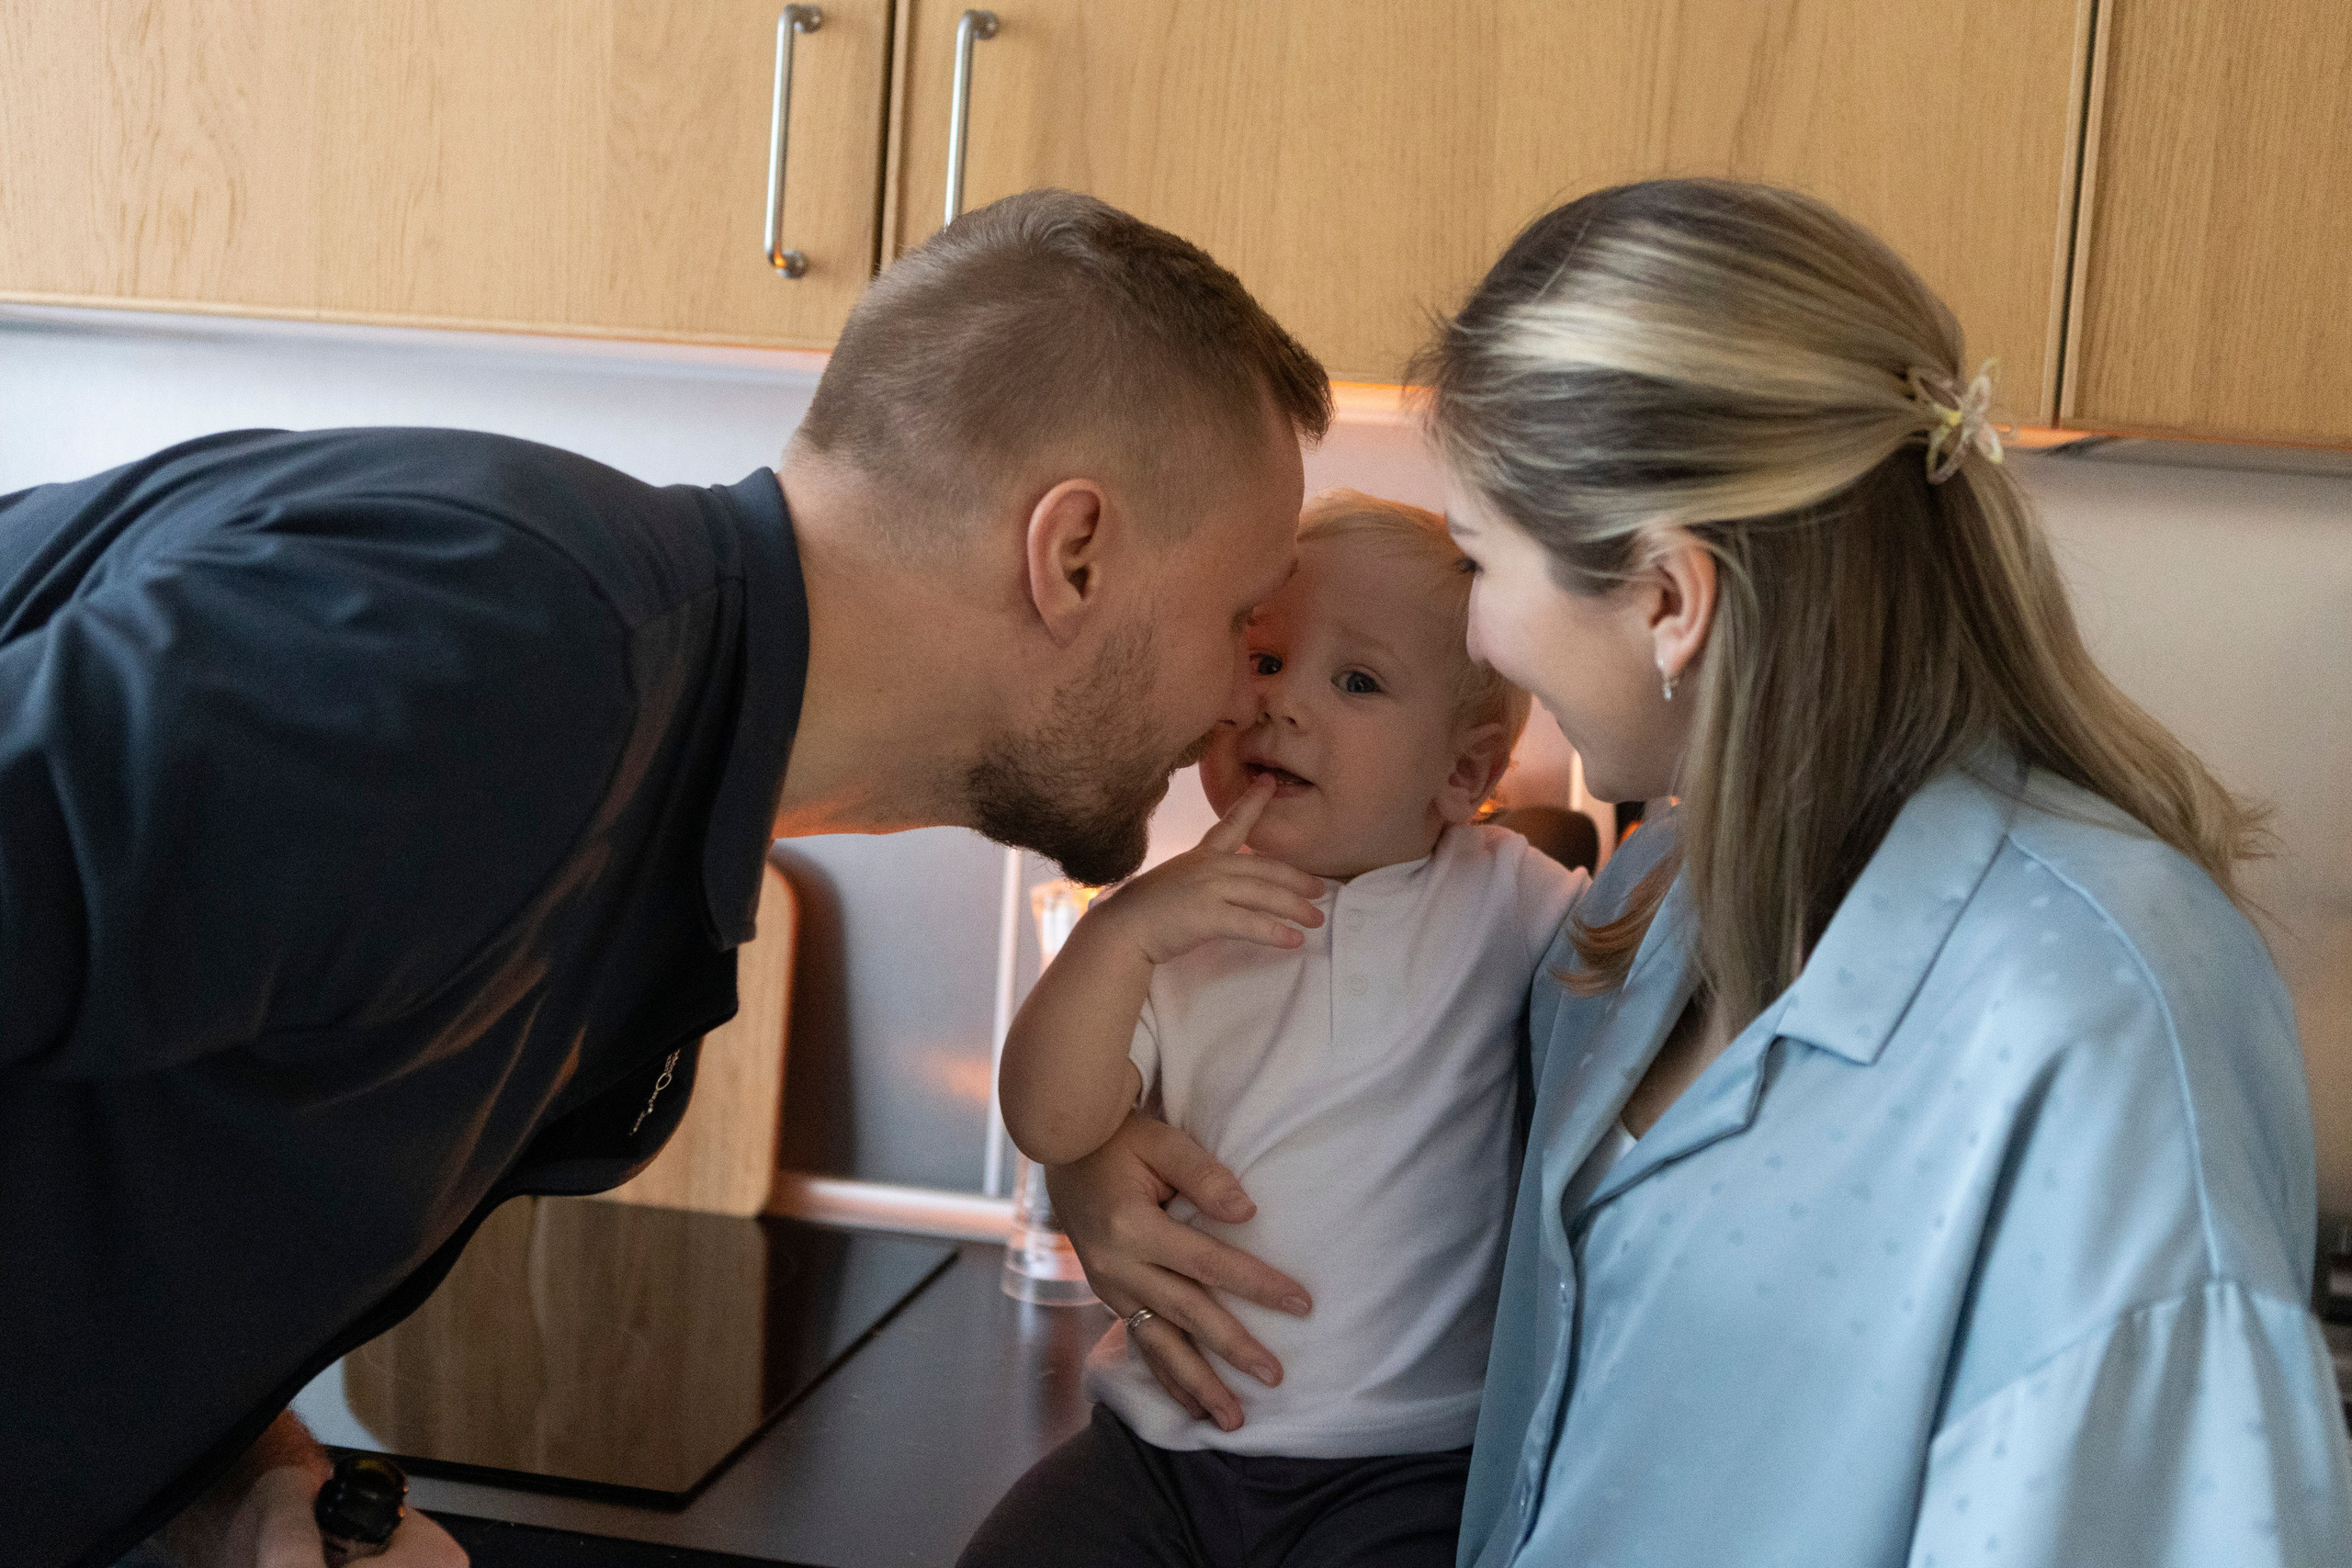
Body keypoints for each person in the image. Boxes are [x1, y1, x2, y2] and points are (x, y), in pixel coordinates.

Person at [0, 188, 1331, 1568]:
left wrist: (248, 1479)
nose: (1245, 696)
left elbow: (132, 1161)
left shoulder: (640, 774)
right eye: (1243, 618)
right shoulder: (498, 655)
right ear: (1075, 554)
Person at [1049, 178, 2352, 1564]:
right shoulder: (1638, 913)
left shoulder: (2101, 1015)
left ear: (1671, 600)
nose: (1482, 640)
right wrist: (1096, 1174)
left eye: (1483, 561)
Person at [966, 493, 1587, 1567]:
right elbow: (1049, 1120)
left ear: (1463, 775)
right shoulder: (1169, 920)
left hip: (1403, 1467)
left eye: (1355, 682)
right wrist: (1116, 938)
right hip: (1155, 1447)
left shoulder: (1511, 905)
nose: (1282, 705)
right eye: (1262, 660)